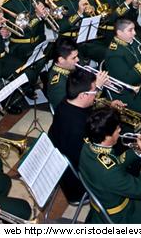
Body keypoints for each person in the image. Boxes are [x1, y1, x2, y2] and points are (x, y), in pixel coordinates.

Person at [48, 70, 101, 202]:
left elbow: (88, 114)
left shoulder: (64, 104)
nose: (96, 95)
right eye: (95, 92)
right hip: (81, 181)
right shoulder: (76, 127)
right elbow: (90, 158)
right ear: (83, 95)